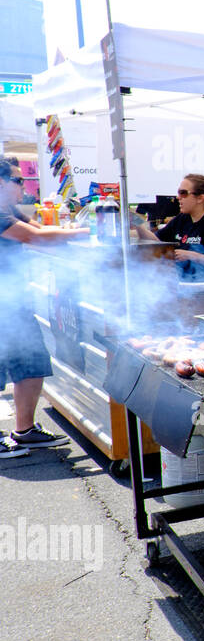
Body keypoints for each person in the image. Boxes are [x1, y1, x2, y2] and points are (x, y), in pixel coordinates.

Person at [0, 159, 89, 457]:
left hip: (13, 301)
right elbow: (34, 237)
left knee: (31, 361)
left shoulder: (9, 210)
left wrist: (70, 231)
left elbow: (41, 233)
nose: (23, 185)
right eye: (17, 180)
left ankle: (25, 430)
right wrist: (83, 232)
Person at [135, 174, 204, 313]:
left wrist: (192, 255)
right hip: (188, 294)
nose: (178, 197)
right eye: (178, 193)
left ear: (200, 198)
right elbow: (157, 242)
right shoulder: (181, 220)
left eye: (183, 193)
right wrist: (137, 223)